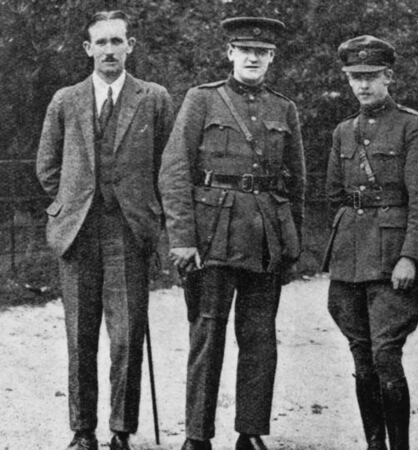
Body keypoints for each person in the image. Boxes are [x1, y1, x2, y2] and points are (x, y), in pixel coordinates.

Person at [158, 16, 305, 450]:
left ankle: (251, 432)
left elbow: (296, 182)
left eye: (262, 52)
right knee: (207, 334)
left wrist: (291, 245)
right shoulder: (202, 99)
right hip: (212, 236)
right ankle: (197, 435)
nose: (253, 58)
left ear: (272, 57)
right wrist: (182, 238)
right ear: (230, 53)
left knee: (260, 338)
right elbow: (175, 170)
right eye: (245, 50)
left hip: (264, 239)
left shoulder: (284, 109)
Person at [36, 10, 174, 450]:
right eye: (101, 42)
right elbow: (47, 166)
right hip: (77, 233)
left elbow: (168, 166)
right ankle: (82, 431)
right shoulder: (66, 100)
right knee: (80, 337)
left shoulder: (154, 98)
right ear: (88, 49)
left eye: (117, 41)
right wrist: (70, 204)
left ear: (130, 46)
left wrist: (151, 213)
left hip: (128, 232)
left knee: (127, 336)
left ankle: (121, 431)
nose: (109, 50)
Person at [321, 35, 418, 450]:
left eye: (371, 76)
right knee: (361, 355)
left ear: (388, 76)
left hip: (392, 260)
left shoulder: (412, 126)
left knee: (386, 355)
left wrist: (411, 256)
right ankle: (375, 445)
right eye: (355, 77)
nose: (363, 85)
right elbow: (334, 196)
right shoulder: (343, 132)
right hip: (350, 259)